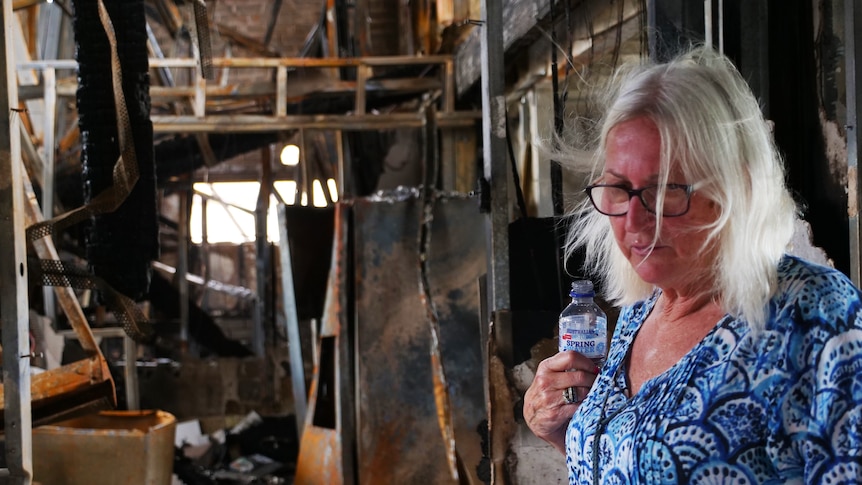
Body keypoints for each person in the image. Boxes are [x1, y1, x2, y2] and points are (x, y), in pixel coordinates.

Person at [523, 45, 862, 484]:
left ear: (735, 188)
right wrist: (559, 433)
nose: (635, 220)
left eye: (664, 190)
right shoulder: (638, 316)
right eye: (619, 188)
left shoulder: (814, 315)